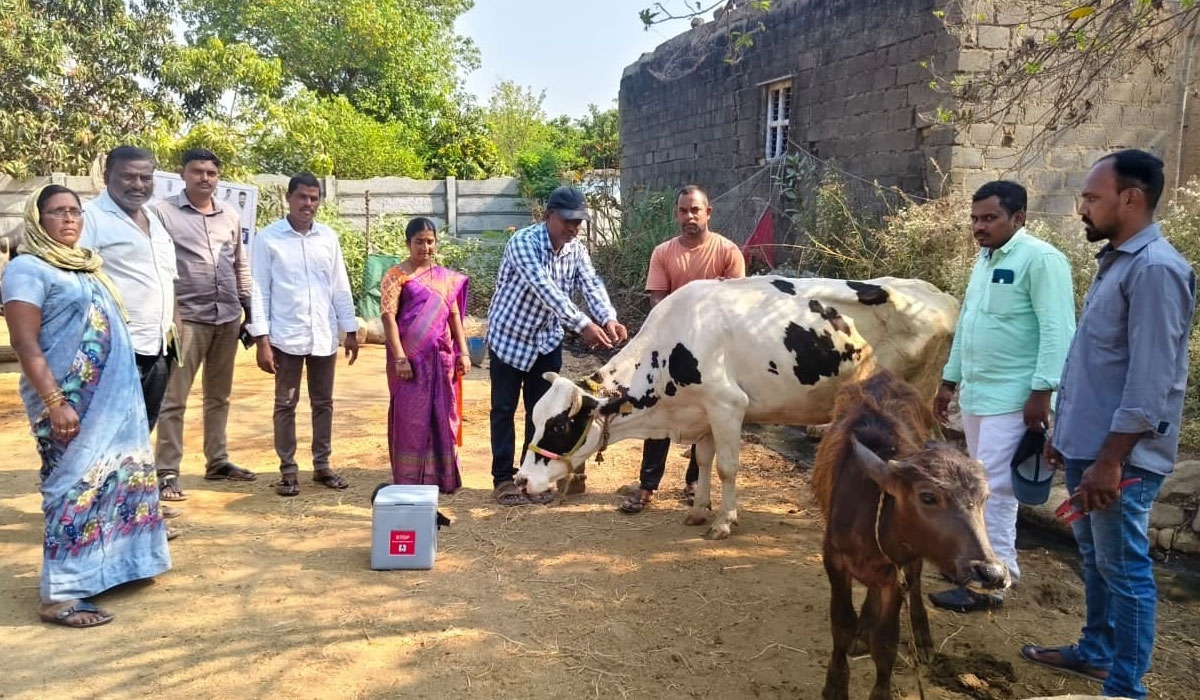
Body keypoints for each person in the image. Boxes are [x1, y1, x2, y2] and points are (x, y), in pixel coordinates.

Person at [1021, 150, 1196, 700]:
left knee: (1125, 570)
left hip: (1119, 462)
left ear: (1131, 198)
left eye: (1092, 198)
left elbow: (1149, 385)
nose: (1082, 209)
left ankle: (1125, 687)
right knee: (1097, 560)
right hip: (1089, 451)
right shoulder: (1117, 261)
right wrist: (1065, 438)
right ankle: (1096, 653)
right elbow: (1094, 363)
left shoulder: (1156, 270)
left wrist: (1110, 459)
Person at [2, 186, 171, 627]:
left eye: (75, 211)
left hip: (115, 405)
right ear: (38, 220)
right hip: (69, 403)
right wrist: (55, 401)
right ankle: (59, 596)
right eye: (57, 212)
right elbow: (24, 344)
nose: (69, 219)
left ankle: (114, 568)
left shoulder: (87, 266)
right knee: (72, 489)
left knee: (117, 479)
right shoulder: (27, 269)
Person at [930, 181, 1076, 612]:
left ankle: (993, 579)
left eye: (990, 218)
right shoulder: (985, 259)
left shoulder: (1042, 261)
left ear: (1019, 217)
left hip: (1015, 398)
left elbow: (1057, 331)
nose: (979, 226)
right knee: (981, 483)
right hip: (978, 394)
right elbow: (970, 325)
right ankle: (990, 564)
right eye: (975, 219)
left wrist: (1042, 391)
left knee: (992, 488)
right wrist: (949, 381)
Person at [488, 186, 627, 505]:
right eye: (568, 221)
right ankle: (503, 479)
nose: (574, 228)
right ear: (548, 216)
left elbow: (591, 283)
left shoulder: (575, 249)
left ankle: (529, 479)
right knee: (504, 410)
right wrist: (583, 325)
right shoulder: (523, 243)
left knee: (542, 414)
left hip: (545, 343)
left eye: (579, 222)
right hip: (509, 338)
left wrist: (608, 318)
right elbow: (545, 290)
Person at [619, 184, 745, 514]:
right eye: (683, 210)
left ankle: (694, 482)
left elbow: (736, 306)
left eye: (695, 210)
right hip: (671, 351)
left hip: (714, 354)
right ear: (677, 214)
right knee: (659, 414)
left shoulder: (727, 252)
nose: (689, 216)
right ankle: (647, 486)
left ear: (708, 213)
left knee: (705, 417)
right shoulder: (663, 253)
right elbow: (658, 302)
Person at [153, 148, 257, 503]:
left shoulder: (230, 214)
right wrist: (169, 313)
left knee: (219, 396)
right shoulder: (162, 213)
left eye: (211, 173)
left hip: (227, 317)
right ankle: (166, 472)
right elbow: (159, 267)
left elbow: (240, 264)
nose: (204, 178)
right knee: (173, 400)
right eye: (197, 171)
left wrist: (249, 310)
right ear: (183, 174)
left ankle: (218, 461)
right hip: (186, 319)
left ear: (218, 177)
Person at [247, 172, 359, 497]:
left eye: (314, 198)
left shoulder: (328, 238)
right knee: (286, 404)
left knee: (324, 403)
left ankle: (322, 466)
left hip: (323, 335)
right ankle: (289, 471)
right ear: (289, 198)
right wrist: (262, 341)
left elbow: (340, 286)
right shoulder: (268, 239)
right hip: (286, 337)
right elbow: (259, 291)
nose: (307, 204)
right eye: (302, 197)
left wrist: (349, 328)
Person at [80, 145, 177, 435]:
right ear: (107, 175)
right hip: (116, 349)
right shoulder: (90, 217)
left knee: (141, 429)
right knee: (107, 430)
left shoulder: (154, 219)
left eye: (145, 177)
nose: (138, 184)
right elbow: (77, 279)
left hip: (158, 346)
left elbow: (168, 278)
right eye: (128, 177)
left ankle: (132, 481)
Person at [380, 217, 471, 492]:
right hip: (410, 362)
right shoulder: (396, 276)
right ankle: (410, 480)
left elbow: (454, 316)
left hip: (441, 361)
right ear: (408, 243)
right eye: (419, 241)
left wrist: (463, 352)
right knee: (411, 418)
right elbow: (388, 319)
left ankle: (442, 478)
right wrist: (399, 359)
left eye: (430, 241)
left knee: (441, 416)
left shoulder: (445, 278)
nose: (426, 247)